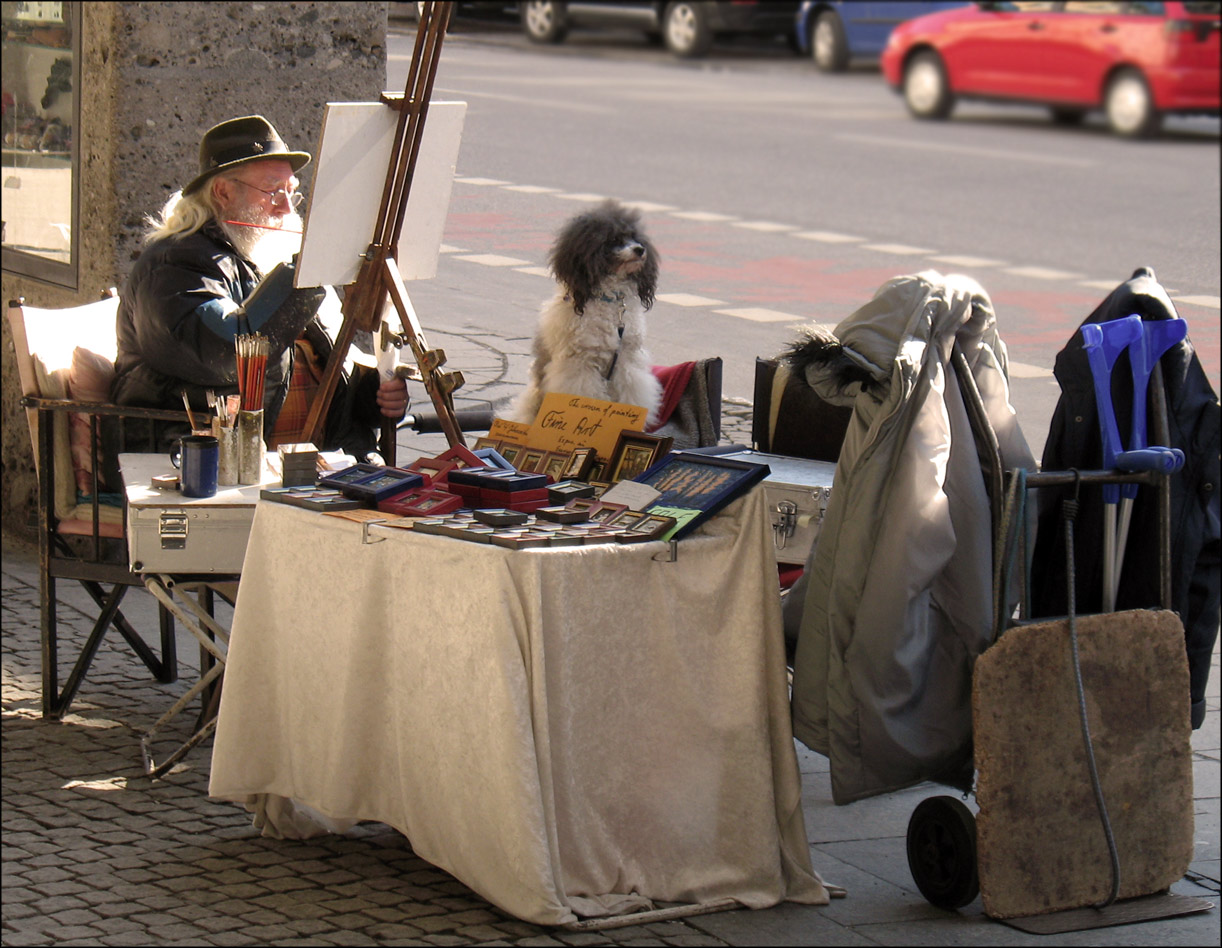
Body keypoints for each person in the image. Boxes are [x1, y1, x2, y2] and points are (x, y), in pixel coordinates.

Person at [109, 114, 409, 460]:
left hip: (312, 461)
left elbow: (319, 365)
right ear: (222, 192)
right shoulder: (174, 267)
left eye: (291, 192)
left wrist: (375, 395)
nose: (286, 207)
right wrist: (307, 269)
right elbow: (231, 351)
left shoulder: (268, 257)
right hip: (207, 464)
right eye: (272, 191)